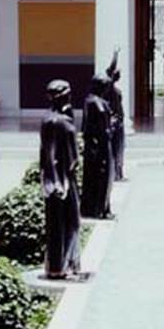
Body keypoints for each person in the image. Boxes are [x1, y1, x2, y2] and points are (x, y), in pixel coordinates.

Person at [39, 79, 81, 279]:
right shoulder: (63, 123)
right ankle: (64, 265)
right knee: (70, 223)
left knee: (58, 225)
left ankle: (57, 266)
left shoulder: (48, 119)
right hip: (63, 181)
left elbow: (47, 155)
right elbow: (71, 159)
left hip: (53, 179)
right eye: (68, 93)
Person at [80, 73, 115, 219]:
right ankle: (99, 209)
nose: (107, 89)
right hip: (99, 145)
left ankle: (100, 207)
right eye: (105, 86)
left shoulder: (92, 101)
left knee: (101, 176)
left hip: (98, 144)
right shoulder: (95, 102)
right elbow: (99, 126)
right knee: (101, 176)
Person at [105, 48, 125, 181]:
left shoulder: (115, 90)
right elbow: (110, 70)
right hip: (115, 122)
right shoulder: (109, 88)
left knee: (120, 148)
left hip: (119, 121)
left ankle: (119, 173)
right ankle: (115, 173)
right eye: (117, 73)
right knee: (115, 147)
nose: (119, 75)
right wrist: (115, 56)